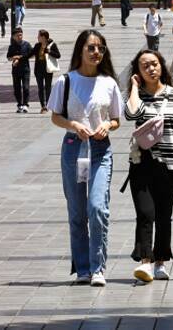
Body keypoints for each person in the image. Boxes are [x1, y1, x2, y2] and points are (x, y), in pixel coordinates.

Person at [48, 29, 122, 287]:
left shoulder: (109, 83)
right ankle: (82, 269)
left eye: (100, 48)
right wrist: (73, 126)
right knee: (77, 211)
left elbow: (116, 119)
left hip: (100, 150)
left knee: (97, 207)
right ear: (80, 50)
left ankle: (98, 267)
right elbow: (55, 116)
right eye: (91, 47)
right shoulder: (65, 81)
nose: (96, 52)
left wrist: (108, 126)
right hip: (73, 148)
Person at [124, 49, 173, 283]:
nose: (151, 68)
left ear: (162, 66)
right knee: (145, 213)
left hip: (170, 166)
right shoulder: (136, 96)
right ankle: (145, 262)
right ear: (138, 71)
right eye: (144, 65)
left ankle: (160, 262)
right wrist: (135, 87)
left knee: (164, 216)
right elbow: (131, 113)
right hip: (141, 163)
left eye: (154, 64)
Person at [30, 30, 61, 113]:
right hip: (38, 69)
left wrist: (49, 51)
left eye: (39, 36)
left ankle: (48, 105)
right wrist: (20, 58)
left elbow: (58, 55)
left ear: (43, 37)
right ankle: (43, 106)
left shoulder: (52, 44)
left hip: (48, 69)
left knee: (48, 88)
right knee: (40, 88)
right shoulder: (37, 45)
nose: (37, 37)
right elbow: (30, 54)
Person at [6, 27, 32, 113]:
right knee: (16, 88)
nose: (20, 37)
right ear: (14, 37)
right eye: (18, 35)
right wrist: (14, 57)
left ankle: (25, 104)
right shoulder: (12, 46)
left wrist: (20, 57)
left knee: (26, 87)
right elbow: (8, 57)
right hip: (16, 70)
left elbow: (32, 55)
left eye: (21, 35)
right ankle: (19, 104)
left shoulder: (27, 44)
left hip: (25, 69)